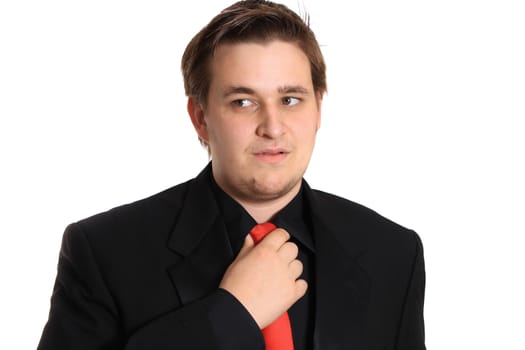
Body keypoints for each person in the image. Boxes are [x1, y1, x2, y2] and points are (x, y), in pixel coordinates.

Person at [38, 0, 426, 349]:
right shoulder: (103, 252)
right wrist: (230, 315)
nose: (272, 127)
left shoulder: (392, 253)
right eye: (243, 102)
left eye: (290, 99)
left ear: (318, 109)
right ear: (200, 118)